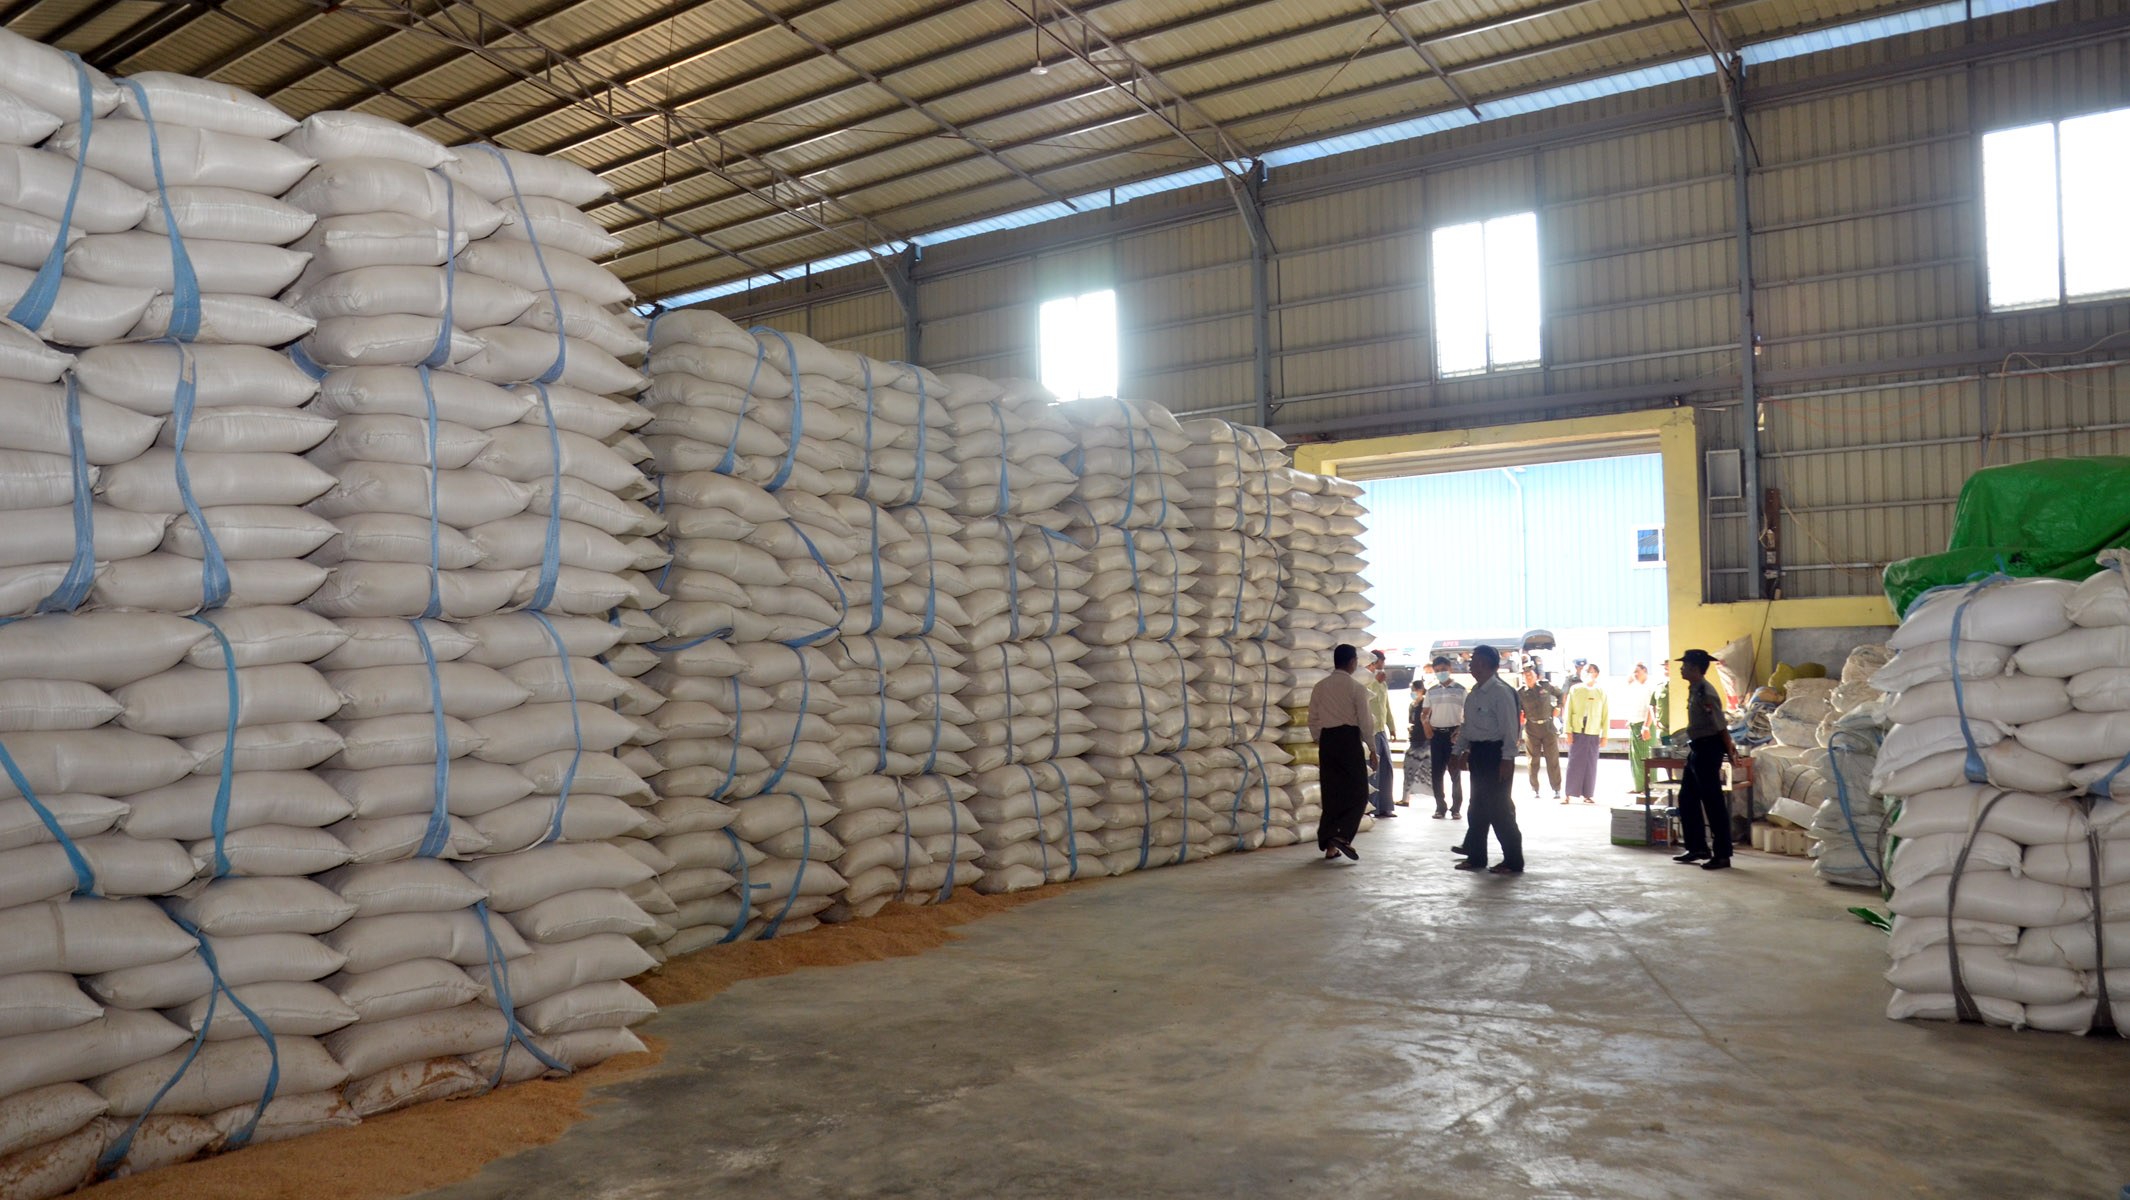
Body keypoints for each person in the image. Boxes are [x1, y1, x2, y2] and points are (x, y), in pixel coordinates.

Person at [1450, 644, 1524, 874]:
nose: (1471, 666)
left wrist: (1507, 759)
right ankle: (1476, 857)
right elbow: (1467, 727)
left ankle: (1513, 860)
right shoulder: (1474, 693)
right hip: (1479, 754)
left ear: (1486, 665)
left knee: (1500, 810)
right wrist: (1458, 752)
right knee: (1477, 809)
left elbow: (1510, 729)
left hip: (1496, 754)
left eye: (1475, 662)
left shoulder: (1501, 692)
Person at [1308, 644, 1379, 862]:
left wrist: (1322, 740)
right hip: (1349, 740)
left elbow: (1313, 718)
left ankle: (1330, 846)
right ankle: (1343, 836)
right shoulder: (1356, 688)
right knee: (1358, 793)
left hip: (1328, 740)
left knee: (1332, 794)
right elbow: (1365, 721)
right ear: (1352, 662)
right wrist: (1372, 748)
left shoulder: (1320, 687)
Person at [1674, 648, 1739, 870]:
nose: (1681, 669)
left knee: (1713, 802)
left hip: (1708, 749)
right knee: (1687, 798)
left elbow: (1720, 725)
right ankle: (1697, 848)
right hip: (1697, 748)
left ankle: (1722, 855)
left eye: (1685, 666)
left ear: (1695, 669)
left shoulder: (1705, 693)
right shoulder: (1695, 689)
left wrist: (1730, 749)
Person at [1419, 656, 1467, 821]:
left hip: (1454, 735)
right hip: (1437, 735)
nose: (1441, 673)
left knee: (1455, 772)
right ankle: (1440, 806)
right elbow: (1425, 713)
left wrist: (1460, 730)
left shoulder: (1461, 690)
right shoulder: (1431, 691)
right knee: (1437, 773)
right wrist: (1426, 725)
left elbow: (1468, 714)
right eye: (1438, 670)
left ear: (1450, 669)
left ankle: (1456, 808)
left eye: (1444, 670)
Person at [1563, 662, 1609, 805]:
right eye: (1587, 671)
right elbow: (1568, 710)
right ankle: (1568, 794)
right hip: (1578, 729)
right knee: (1574, 762)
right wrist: (1567, 731)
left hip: (1593, 730)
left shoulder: (1600, 691)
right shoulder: (1575, 689)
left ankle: (1588, 794)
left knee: (1591, 763)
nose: (1589, 674)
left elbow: (1605, 714)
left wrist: (1605, 735)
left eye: (1592, 671)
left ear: (1597, 674)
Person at [1516, 667, 1564, 802]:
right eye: (1526, 675)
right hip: (1531, 729)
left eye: (1530, 674)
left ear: (1536, 676)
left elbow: (1560, 694)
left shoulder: (1545, 686)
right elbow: (1516, 711)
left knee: (1552, 759)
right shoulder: (1520, 693)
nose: (1528, 677)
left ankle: (1556, 788)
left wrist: (1558, 707)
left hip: (1548, 727)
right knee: (1533, 761)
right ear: (1523, 678)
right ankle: (1535, 788)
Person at [1365, 650, 1398, 819]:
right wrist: (1375, 682)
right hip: (1369, 731)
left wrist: (1391, 726)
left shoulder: (1383, 684)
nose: (1380, 669)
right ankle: (1372, 807)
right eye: (1378, 665)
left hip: (1381, 731)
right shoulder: (1364, 682)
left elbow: (1386, 706)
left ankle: (1385, 806)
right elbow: (1365, 698)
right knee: (1373, 769)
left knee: (1386, 768)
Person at [1621, 662, 1659, 795]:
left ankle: (1650, 787)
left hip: (1645, 724)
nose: (1634, 675)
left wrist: (1646, 726)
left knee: (1646, 757)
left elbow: (1651, 708)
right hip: (1634, 724)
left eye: (1637, 672)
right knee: (1635, 758)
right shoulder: (1634, 686)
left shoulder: (1650, 686)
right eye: (1633, 672)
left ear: (1644, 671)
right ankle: (1638, 786)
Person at [1401, 679, 1430, 805]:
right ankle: (1405, 798)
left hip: (1424, 741)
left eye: (1414, 690)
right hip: (1414, 739)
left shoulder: (1425, 705)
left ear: (1421, 690)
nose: (1412, 693)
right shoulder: (1412, 705)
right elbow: (1412, 721)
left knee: (1422, 770)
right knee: (1409, 769)